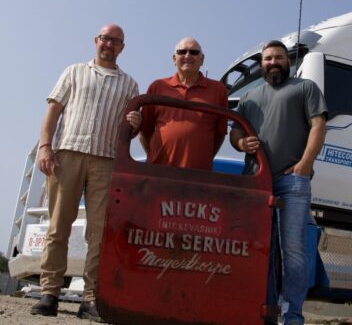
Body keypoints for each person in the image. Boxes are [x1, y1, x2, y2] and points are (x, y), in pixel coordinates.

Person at [31, 24, 141, 322]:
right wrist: (44, 146)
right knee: (57, 228)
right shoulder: (73, 72)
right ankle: (49, 293)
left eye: (115, 41)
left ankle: (91, 298)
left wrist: (136, 122)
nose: (108, 44)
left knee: (99, 234)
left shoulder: (130, 85)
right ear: (96, 41)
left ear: (122, 47)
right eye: (104, 39)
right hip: (67, 153)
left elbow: (129, 131)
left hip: (106, 161)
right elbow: (52, 112)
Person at [230, 40, 327, 325]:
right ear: (262, 64)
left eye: (279, 57)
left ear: (288, 62)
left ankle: (292, 315)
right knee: (262, 252)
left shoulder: (305, 88)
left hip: (292, 182)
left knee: (293, 251)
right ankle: (267, 314)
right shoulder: (249, 98)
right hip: (256, 184)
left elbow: (319, 125)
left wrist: (303, 166)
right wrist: (241, 143)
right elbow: (234, 133)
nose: (273, 62)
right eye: (268, 58)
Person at [139, 37, 228, 170]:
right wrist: (155, 156)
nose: (187, 56)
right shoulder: (157, 87)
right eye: (182, 52)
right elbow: (144, 131)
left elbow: (219, 134)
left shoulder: (218, 90)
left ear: (202, 59)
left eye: (193, 52)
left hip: (198, 176)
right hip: (158, 173)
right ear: (174, 59)